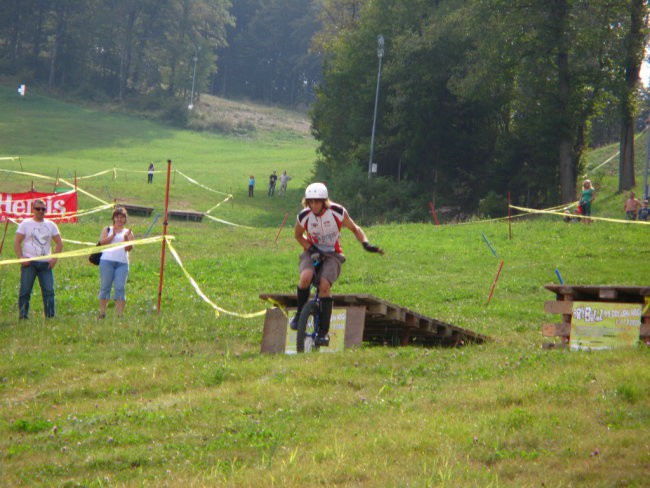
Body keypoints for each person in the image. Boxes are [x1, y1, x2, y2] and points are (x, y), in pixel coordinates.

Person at [291, 182, 384, 346]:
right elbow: (298, 236)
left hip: (333, 253)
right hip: (311, 250)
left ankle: (323, 333)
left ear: (324, 201)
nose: (313, 205)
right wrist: (311, 249)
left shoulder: (337, 212)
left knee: (324, 285)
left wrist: (366, 244)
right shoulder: (304, 216)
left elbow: (355, 228)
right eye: (310, 201)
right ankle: (299, 314)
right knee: (305, 277)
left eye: (317, 201)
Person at [13, 199, 63, 319]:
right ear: (33, 210)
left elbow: (59, 243)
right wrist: (21, 257)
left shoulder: (51, 225)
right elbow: (17, 241)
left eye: (43, 209)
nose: (41, 211)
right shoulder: (25, 224)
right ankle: (23, 316)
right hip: (29, 263)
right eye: (38, 209)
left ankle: (50, 316)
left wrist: (54, 259)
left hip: (46, 264)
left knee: (49, 291)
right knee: (25, 291)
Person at [98, 207, 135, 319]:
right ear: (113, 218)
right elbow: (102, 243)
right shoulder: (107, 229)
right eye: (117, 217)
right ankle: (102, 313)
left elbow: (129, 248)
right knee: (105, 287)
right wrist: (112, 236)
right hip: (107, 262)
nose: (119, 219)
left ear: (125, 219)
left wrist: (125, 238)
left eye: (122, 217)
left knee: (120, 288)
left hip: (122, 263)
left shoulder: (128, 232)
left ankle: (119, 314)